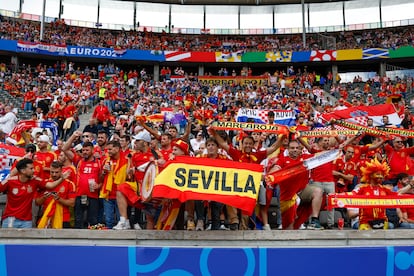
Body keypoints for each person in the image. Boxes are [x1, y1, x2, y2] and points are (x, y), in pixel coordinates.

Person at [0, 158, 70, 228]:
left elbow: (50, 185)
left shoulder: (35, 180)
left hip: (27, 221)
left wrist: (62, 179)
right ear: (23, 170)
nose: (34, 170)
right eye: (31, 169)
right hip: (10, 219)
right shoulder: (10, 181)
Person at [35, 161, 76, 229]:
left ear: (61, 171)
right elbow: (37, 202)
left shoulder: (69, 184)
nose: (54, 174)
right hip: (47, 218)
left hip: (63, 219)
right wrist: (44, 198)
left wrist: (59, 199)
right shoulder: (45, 183)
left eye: (57, 172)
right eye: (52, 172)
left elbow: (72, 203)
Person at [99, 140, 128, 229]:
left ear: (117, 149)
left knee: (122, 220)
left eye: (110, 149)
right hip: (108, 194)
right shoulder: (105, 161)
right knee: (108, 220)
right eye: (108, 150)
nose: (108, 151)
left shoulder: (127, 161)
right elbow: (100, 178)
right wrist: (104, 172)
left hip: (121, 195)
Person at [73, 142, 102, 229]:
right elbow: (65, 149)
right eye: (83, 150)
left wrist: (99, 186)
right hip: (80, 194)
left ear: (92, 150)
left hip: (93, 195)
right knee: (78, 219)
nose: (85, 152)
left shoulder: (99, 162)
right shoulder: (79, 161)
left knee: (93, 219)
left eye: (87, 150)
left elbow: (103, 179)